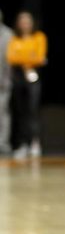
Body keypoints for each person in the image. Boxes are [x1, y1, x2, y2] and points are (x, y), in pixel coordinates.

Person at [7, 11, 47, 160]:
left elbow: (41, 57)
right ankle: (22, 144)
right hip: (18, 78)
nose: (25, 24)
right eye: (22, 21)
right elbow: (11, 57)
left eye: (27, 21)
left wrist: (24, 59)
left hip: (33, 76)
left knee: (32, 110)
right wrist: (28, 58)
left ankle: (34, 142)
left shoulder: (39, 37)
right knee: (20, 111)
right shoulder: (14, 38)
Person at [0, 10, 12, 155]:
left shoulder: (8, 35)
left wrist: (7, 79)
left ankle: (3, 143)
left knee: (2, 112)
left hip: (2, 80)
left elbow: (9, 61)